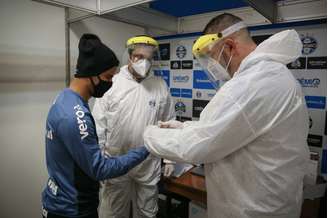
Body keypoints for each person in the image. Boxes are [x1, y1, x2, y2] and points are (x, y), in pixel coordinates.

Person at [143, 13, 310, 218]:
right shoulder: (273, 74)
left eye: (213, 58)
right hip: (270, 203)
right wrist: (183, 127)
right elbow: (234, 130)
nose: (213, 68)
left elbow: (198, 147)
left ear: (230, 46)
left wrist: (149, 134)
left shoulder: (251, 83)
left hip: (251, 210)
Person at [41, 34, 149, 218]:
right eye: (108, 77)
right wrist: (146, 149)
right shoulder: (75, 116)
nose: (110, 83)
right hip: (72, 209)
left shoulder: (64, 98)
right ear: (91, 73)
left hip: (59, 200)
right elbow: (100, 169)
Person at [93, 35, 176, 218]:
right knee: (113, 213)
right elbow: (98, 125)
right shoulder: (112, 83)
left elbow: (168, 121)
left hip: (147, 162)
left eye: (148, 58)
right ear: (130, 57)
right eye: (139, 57)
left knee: (147, 212)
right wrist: (98, 162)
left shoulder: (159, 85)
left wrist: (169, 159)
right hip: (115, 161)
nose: (144, 62)